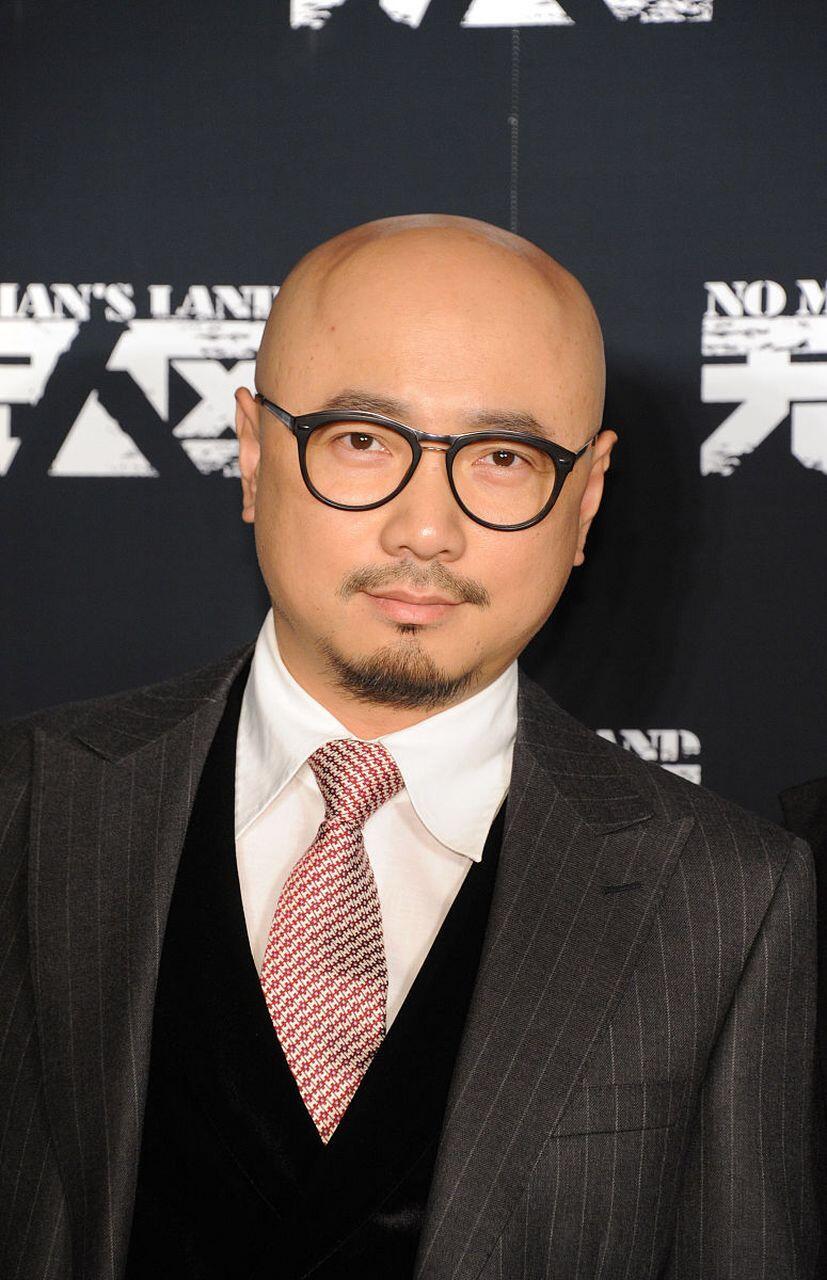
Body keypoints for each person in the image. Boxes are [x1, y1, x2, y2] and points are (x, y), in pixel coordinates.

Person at [0, 214, 820, 1279]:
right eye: (361, 440)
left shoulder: (727, 898)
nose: (425, 529)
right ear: (253, 452)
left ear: (585, 499)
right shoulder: (25, 804)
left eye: (503, 457)